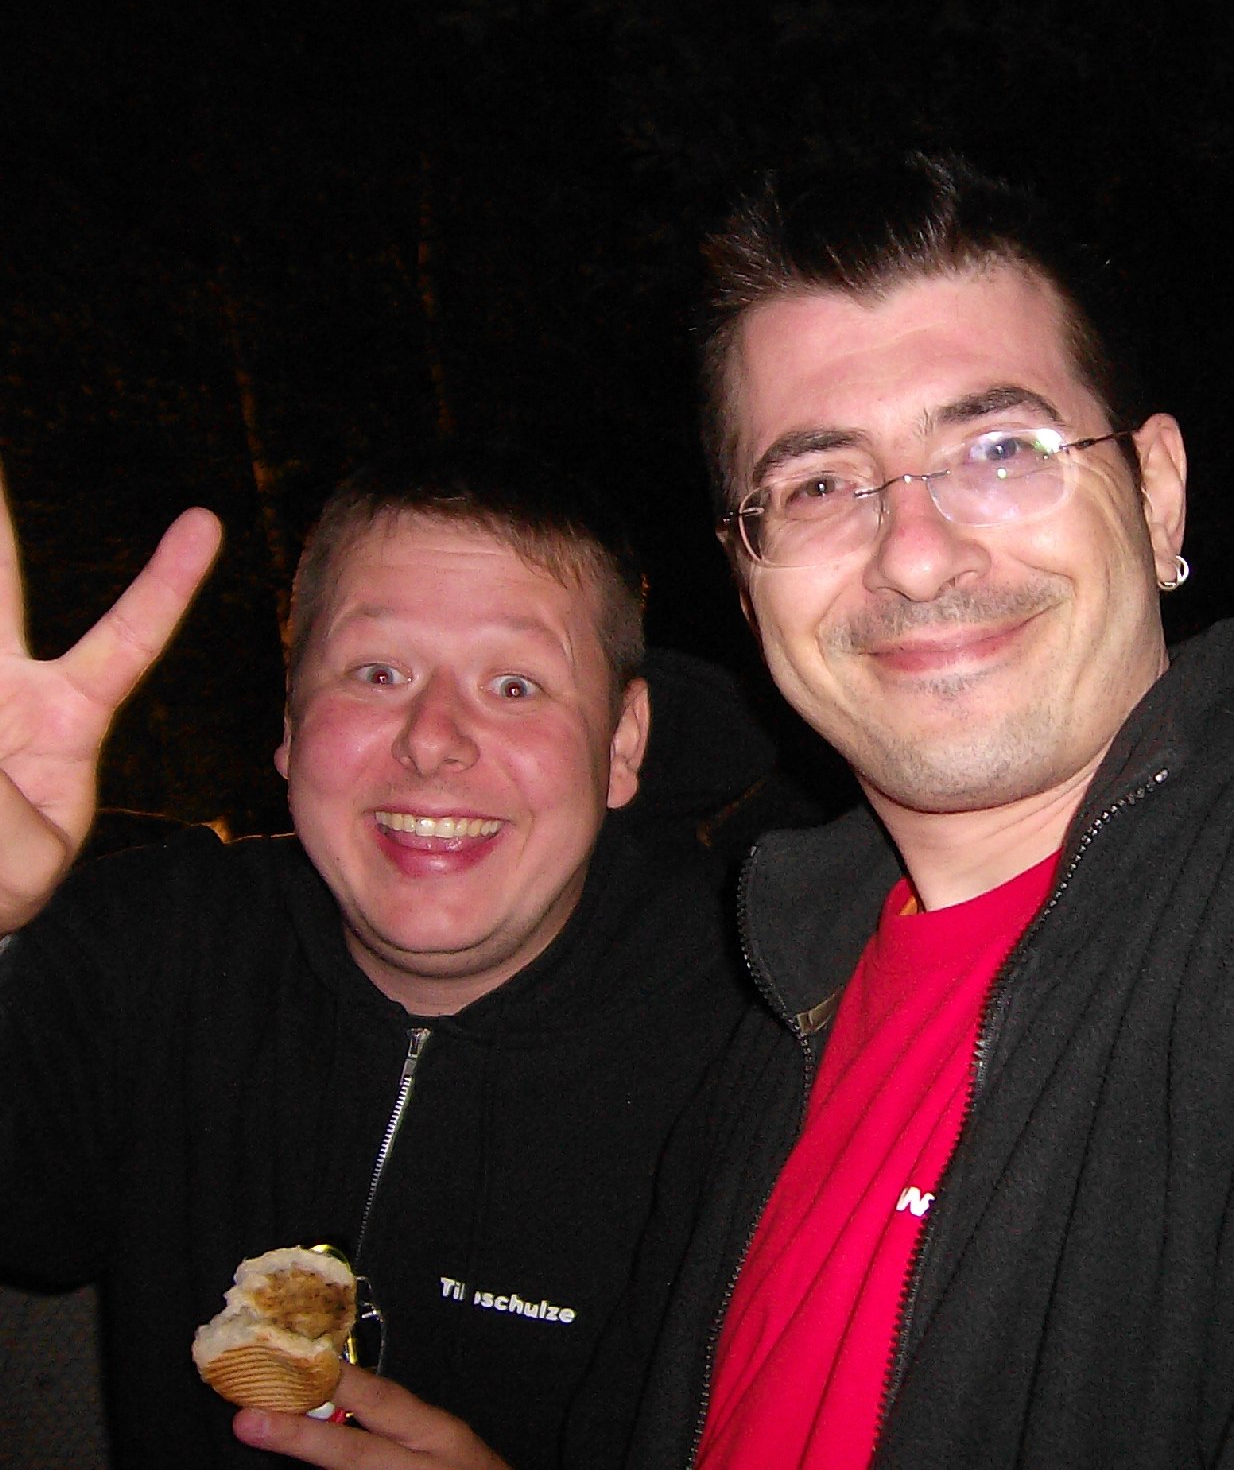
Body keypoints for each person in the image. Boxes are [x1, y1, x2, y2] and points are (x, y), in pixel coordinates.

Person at [239, 154, 1234, 1470]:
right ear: (746, 579)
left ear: (1155, 495)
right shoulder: (779, 1005)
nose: (913, 551)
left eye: (1000, 450)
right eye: (819, 485)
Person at [0, 445, 785, 1468]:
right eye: (377, 674)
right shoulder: (150, 944)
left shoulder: (766, 1039)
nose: (431, 739)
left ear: (623, 743)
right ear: (289, 721)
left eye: (514, 685)